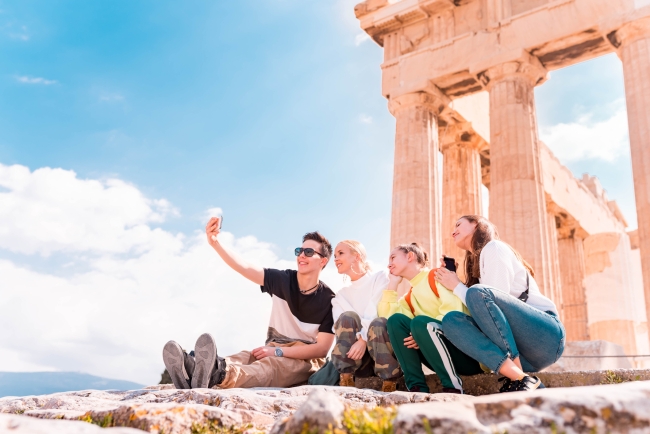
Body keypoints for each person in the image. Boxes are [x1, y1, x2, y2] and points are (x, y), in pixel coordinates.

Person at [162, 217, 335, 390]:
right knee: (245, 356)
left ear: (323, 261)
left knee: (269, 368)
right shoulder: (283, 280)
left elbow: (321, 349)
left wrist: (278, 352)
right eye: (300, 251)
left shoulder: (329, 300)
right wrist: (215, 243)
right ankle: (194, 367)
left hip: (304, 360)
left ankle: (219, 375)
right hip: (274, 346)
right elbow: (244, 266)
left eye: (309, 252)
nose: (302, 256)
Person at [435, 215, 565, 393]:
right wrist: (453, 282)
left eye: (459, 224)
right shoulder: (479, 266)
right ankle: (520, 377)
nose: (453, 231)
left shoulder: (494, 248)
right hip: (523, 354)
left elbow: (490, 296)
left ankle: (518, 373)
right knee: (451, 321)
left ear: (476, 225)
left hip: (545, 338)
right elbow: (484, 314)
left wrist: (457, 286)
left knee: (476, 293)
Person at [380, 243, 483, 394]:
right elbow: (387, 319)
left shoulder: (437, 275)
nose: (389, 264)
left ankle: (453, 386)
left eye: (393, 257)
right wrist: (393, 285)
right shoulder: (409, 297)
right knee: (396, 321)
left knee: (420, 323)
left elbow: (453, 314)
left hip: (468, 354)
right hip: (439, 355)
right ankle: (416, 387)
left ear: (410, 256)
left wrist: (422, 332)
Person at [330, 240, 402, 392]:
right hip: (357, 360)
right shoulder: (340, 295)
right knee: (347, 317)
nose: (335, 259)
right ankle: (346, 378)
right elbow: (337, 325)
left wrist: (362, 339)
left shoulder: (379, 278)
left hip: (382, 353)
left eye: (340, 253)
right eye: (334, 255)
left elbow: (376, 309)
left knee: (379, 322)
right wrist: (359, 333)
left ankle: (389, 382)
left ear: (357, 257)